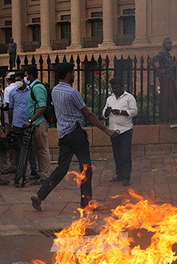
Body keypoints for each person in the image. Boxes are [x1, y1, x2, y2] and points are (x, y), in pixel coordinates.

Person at [31, 62, 116, 211]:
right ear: (69, 74)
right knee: (86, 167)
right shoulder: (72, 93)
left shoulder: (55, 90)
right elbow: (88, 114)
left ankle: (39, 196)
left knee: (62, 168)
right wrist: (105, 129)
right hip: (76, 133)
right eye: (73, 73)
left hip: (63, 133)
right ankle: (86, 203)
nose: (74, 75)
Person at [104, 76, 138, 186]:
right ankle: (119, 174)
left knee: (125, 154)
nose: (115, 90)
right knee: (117, 154)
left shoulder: (129, 98)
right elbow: (103, 113)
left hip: (125, 130)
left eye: (117, 88)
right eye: (113, 88)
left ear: (122, 87)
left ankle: (126, 177)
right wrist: (108, 112)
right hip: (113, 130)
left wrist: (120, 112)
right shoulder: (110, 99)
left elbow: (134, 112)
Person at [24, 65, 51, 183]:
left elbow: (42, 106)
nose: (25, 78)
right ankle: (41, 173)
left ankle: (45, 175)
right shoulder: (33, 87)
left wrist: (31, 120)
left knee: (43, 149)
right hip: (36, 123)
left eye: (26, 75)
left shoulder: (37, 87)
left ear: (30, 75)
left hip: (39, 122)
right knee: (38, 150)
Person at [7, 72, 33, 187]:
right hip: (17, 122)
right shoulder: (13, 92)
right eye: (16, 80)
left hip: (28, 122)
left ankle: (33, 170)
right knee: (19, 148)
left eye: (19, 79)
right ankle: (20, 172)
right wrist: (12, 123)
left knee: (29, 148)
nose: (18, 81)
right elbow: (11, 108)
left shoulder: (30, 91)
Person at [154, 37, 177, 123]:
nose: (170, 45)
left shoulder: (167, 54)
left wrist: (176, 61)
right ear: (164, 44)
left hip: (170, 78)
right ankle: (164, 118)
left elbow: (170, 67)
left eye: (171, 43)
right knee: (166, 98)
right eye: (168, 43)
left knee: (172, 97)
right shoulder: (162, 53)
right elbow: (151, 61)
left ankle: (174, 117)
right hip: (165, 78)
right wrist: (159, 70)